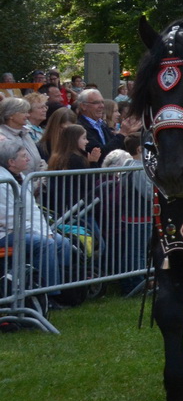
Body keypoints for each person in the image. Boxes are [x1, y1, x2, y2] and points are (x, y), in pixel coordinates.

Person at [0, 138, 76, 297]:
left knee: (64, 242)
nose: (28, 158)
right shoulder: (3, 182)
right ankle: (49, 294)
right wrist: (40, 233)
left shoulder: (20, 176)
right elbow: (9, 220)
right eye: (23, 156)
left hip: (26, 229)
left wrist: (45, 230)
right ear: (11, 162)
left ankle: (66, 289)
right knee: (45, 244)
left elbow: (34, 210)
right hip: (6, 233)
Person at [0, 97, 44, 173]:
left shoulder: (26, 133)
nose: (27, 115)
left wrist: (44, 172)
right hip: (19, 182)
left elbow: (38, 159)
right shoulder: (2, 136)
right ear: (10, 115)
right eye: (23, 112)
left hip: (36, 180)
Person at [73, 88, 114, 155]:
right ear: (83, 106)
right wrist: (122, 134)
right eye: (96, 103)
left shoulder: (102, 124)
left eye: (102, 102)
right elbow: (101, 153)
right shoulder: (80, 127)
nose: (102, 106)